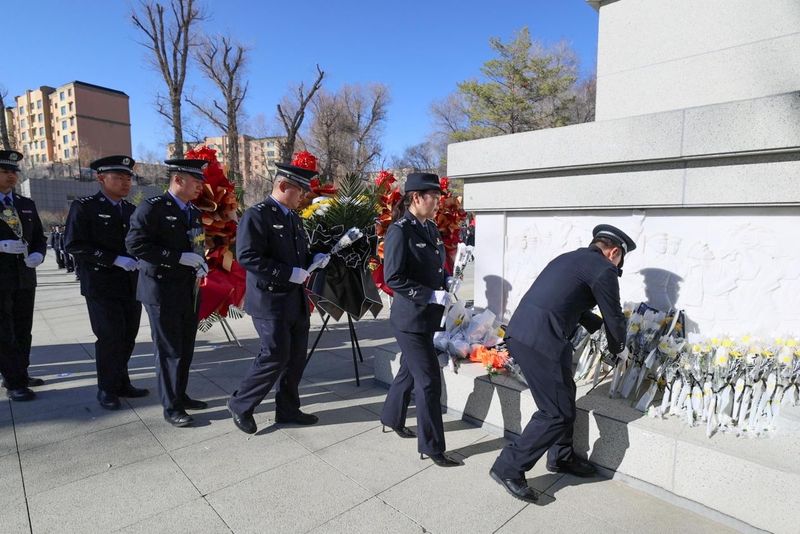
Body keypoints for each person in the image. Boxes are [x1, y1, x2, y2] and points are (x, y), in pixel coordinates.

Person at [489, 224, 635, 503]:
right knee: (555, 412)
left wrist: (596, 326)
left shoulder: (569, 258)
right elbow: (614, 316)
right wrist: (619, 348)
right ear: (614, 252)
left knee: (565, 395)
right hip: (542, 341)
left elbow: (565, 299)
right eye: (620, 261)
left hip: (526, 333)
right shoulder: (603, 269)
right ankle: (508, 467)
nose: (617, 267)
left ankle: (561, 457)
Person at [227, 163, 329, 434]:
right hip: (270, 300)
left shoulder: (293, 217)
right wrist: (287, 273)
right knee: (274, 355)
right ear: (283, 186)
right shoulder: (257, 215)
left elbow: (297, 255)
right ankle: (240, 404)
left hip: (294, 300)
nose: (303, 196)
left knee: (295, 358)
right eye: (300, 190)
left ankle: (287, 408)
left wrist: (314, 258)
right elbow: (247, 257)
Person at [379, 173, 462, 468]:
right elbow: (393, 277)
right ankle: (432, 447)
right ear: (416, 198)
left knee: (409, 372)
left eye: (439, 198)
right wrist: (430, 295)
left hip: (428, 317)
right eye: (434, 198)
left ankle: (391, 417)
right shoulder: (399, 231)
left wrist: (447, 279)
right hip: (410, 320)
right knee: (428, 381)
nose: (438, 203)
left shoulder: (429, 227)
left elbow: (436, 265)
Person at [126, 159, 209, 427]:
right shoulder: (153, 208)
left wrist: (200, 262)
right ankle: (171, 407)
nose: (200, 186)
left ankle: (180, 394)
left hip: (188, 288)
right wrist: (176, 258)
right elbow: (135, 244)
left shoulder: (192, 211)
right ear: (178, 180)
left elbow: (196, 244)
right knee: (169, 350)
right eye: (195, 181)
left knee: (185, 347)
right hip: (161, 289)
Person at [65, 155, 148, 410]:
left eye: (128, 178)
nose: (125, 183)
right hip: (101, 284)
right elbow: (74, 244)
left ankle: (121, 382)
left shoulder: (131, 210)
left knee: (128, 335)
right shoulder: (84, 207)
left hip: (130, 283)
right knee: (110, 337)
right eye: (119, 177)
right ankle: (107, 389)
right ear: (101, 178)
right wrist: (113, 259)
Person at [0, 150, 47, 401]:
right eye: (5, 171)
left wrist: (39, 254)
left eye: (14, 171)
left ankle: (21, 372)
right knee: (4, 331)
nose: (11, 176)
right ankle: (13, 381)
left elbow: (39, 237)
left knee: (23, 328)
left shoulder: (25, 204)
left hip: (24, 277)